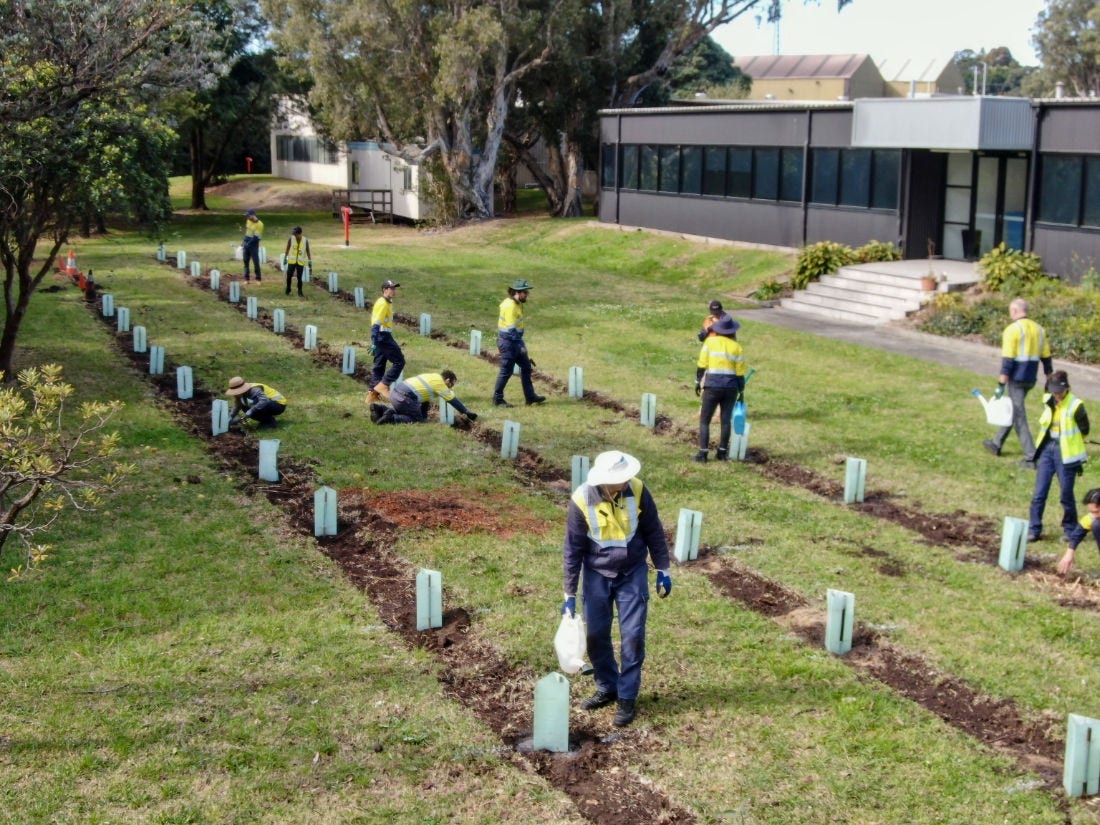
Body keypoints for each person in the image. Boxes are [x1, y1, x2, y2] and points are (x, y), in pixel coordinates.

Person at [562, 451, 672, 728]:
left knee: (633, 636)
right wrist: (569, 594)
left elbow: (653, 530)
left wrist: (663, 568)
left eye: (625, 479)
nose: (624, 484)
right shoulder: (580, 500)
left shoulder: (637, 489)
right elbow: (572, 549)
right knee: (596, 635)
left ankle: (626, 696)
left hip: (632, 572)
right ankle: (607, 686)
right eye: (618, 481)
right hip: (597, 574)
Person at [983, 298, 1052, 463]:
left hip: (1016, 379)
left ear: (1014, 311)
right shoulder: (1039, 329)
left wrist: (1001, 385)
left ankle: (1031, 456)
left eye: (1010, 311)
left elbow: (1007, 361)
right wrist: (1049, 380)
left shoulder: (1012, 330)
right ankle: (996, 443)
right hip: (1030, 379)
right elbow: (1047, 358)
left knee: (1018, 416)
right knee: (1014, 410)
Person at [1028, 371, 1089, 543]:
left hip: (1067, 455)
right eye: (1054, 391)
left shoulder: (1076, 405)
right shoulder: (1049, 399)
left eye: (1060, 392)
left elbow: (1085, 429)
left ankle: (1070, 530)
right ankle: (1034, 529)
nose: (1057, 395)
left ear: (1067, 388)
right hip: (1048, 450)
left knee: (1066, 494)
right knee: (1039, 493)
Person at [694, 315, 746, 462]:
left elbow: (702, 364)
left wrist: (698, 381)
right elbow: (740, 373)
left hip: (712, 386)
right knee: (725, 420)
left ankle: (703, 454)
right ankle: (722, 452)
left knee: (705, 420)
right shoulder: (737, 347)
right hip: (731, 388)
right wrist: (741, 392)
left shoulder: (710, 342)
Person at [492, 278, 545, 407]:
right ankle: (497, 399)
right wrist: (521, 346)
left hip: (515, 341)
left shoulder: (518, 303)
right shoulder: (510, 306)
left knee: (526, 367)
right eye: (525, 292)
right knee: (506, 371)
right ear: (517, 292)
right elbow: (511, 329)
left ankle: (530, 397)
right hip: (509, 343)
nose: (527, 295)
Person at [372, 370, 477, 425]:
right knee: (416, 419)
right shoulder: (440, 384)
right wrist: (466, 412)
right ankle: (392, 419)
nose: (450, 388)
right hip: (404, 398)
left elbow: (425, 401)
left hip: (395, 394)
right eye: (451, 385)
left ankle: (380, 409)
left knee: (411, 413)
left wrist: (424, 417)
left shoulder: (433, 377)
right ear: (447, 380)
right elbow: (452, 400)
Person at [368, 279, 406, 402]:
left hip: (382, 337)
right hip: (383, 337)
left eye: (395, 288)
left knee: (379, 366)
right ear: (385, 290)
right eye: (392, 288)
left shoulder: (386, 302)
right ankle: (384, 386)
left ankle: (371, 395)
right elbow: (375, 324)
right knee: (399, 361)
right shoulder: (383, 303)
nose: (394, 291)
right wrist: (374, 341)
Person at [1057, 489, 1100, 576]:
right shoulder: (1094, 517)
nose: (1094, 516)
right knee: (1096, 525)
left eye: (1096, 512)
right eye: (1092, 512)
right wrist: (1069, 554)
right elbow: (1078, 532)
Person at [283, 226, 311, 296]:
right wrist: (285, 257)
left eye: (296, 234)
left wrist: (310, 261)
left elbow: (308, 251)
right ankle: (288, 289)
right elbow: (287, 248)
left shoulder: (305, 240)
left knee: (299, 277)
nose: (294, 235)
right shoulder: (291, 239)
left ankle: (300, 291)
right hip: (292, 261)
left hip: (300, 262)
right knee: (289, 276)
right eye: (294, 234)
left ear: (300, 234)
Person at [241, 209, 264, 283]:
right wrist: (243, 241)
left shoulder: (260, 224)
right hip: (246, 242)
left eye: (248, 215)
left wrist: (248, 244)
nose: (247, 217)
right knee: (245, 262)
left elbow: (256, 237)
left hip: (254, 244)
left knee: (256, 262)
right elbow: (247, 232)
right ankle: (246, 279)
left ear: (253, 215)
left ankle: (258, 279)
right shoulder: (248, 221)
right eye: (246, 216)